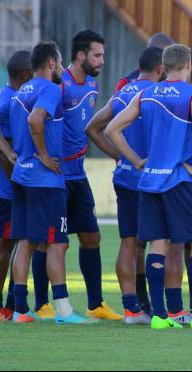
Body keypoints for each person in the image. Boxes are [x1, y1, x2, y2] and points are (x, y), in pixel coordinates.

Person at [106, 44, 192, 330]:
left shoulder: (145, 93)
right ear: (188, 63)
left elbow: (111, 129)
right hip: (178, 180)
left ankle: (159, 316)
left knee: (158, 243)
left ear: (163, 67)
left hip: (149, 181)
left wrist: (136, 161)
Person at [0, 42, 94, 324]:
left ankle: (20, 309)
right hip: (45, 180)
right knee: (58, 243)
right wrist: (44, 155)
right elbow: (36, 120)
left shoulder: (21, 91)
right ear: (53, 64)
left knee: (25, 241)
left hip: (20, 177)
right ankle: (64, 311)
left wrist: (10, 154)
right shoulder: (50, 89)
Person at [85, 46, 163, 324]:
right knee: (160, 242)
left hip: (125, 178)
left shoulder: (124, 92)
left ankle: (131, 309)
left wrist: (120, 157)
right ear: (160, 68)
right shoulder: (156, 95)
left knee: (128, 243)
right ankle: (161, 308)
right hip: (152, 179)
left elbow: (92, 128)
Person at [58, 29, 121, 320]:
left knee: (92, 237)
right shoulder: (60, 85)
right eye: (98, 54)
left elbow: (89, 130)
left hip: (78, 176)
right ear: (81, 55)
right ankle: (45, 304)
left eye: (104, 55)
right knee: (52, 241)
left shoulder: (93, 86)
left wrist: (119, 156)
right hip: (55, 177)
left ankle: (95, 304)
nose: (102, 60)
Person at [0, 50, 32, 321]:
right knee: (6, 242)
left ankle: (9, 304)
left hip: (0, 184)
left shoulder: (2, 94)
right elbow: (5, 151)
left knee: (13, 241)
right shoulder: (14, 100)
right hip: (7, 186)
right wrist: (21, 183)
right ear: (26, 74)